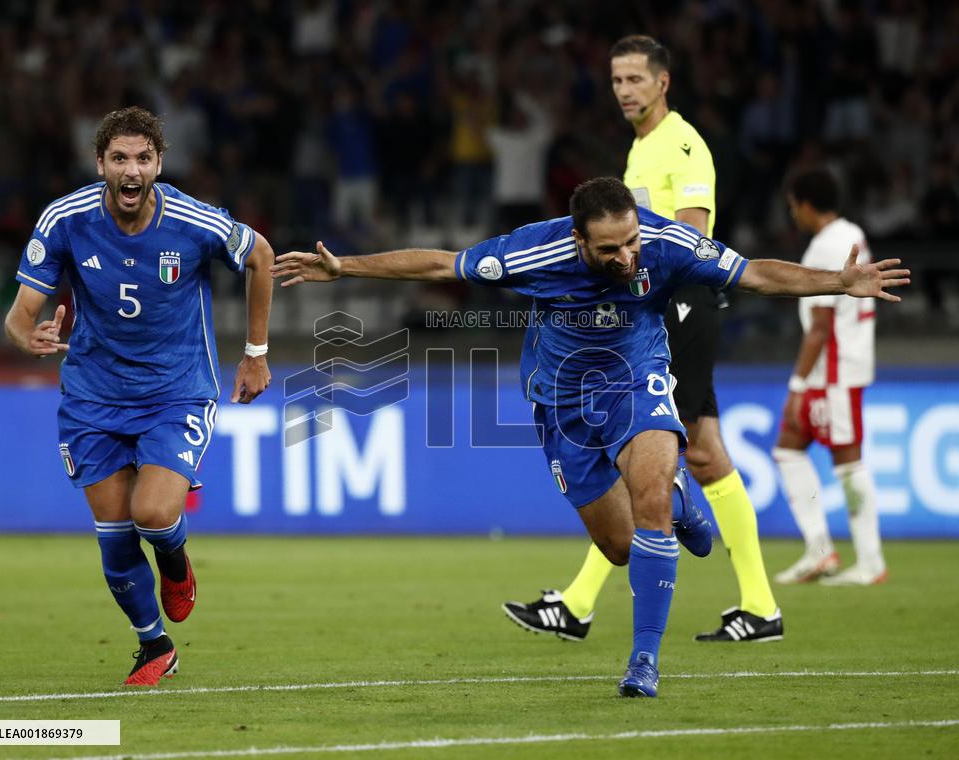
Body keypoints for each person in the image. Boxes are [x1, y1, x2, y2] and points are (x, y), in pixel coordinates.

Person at [271, 177, 907, 697]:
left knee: (650, 498)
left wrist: (838, 283)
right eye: (609, 250)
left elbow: (756, 275)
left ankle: (643, 662)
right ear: (578, 240)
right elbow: (441, 262)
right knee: (623, 544)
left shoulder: (665, 243)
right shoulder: (533, 253)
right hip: (562, 406)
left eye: (631, 241)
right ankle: (683, 501)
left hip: (639, 382)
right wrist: (344, 267)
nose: (627, 258)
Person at [505, 34, 784, 644]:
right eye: (615, 80)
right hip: (654, 311)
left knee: (662, 457)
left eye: (635, 79)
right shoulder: (640, 151)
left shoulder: (682, 145)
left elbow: (687, 238)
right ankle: (757, 605)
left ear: (663, 82)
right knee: (700, 450)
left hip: (676, 308)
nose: (624, 90)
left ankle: (581, 603)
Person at [4, 106, 274, 686]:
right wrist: (30, 334)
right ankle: (154, 645)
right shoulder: (65, 219)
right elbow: (20, 314)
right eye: (120, 158)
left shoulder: (191, 220)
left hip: (175, 391)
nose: (132, 169)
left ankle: (175, 558)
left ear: (159, 163)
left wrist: (256, 351)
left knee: (151, 513)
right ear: (100, 163)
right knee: (114, 534)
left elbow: (261, 256)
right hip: (92, 395)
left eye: (143, 158)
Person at [773, 167, 887, 586]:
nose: (792, 215)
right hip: (845, 366)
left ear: (804, 203)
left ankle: (869, 561)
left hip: (833, 372)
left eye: (792, 206)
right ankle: (820, 551)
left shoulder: (824, 246)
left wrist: (797, 385)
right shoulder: (852, 232)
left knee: (848, 462)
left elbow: (820, 325)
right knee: (788, 447)